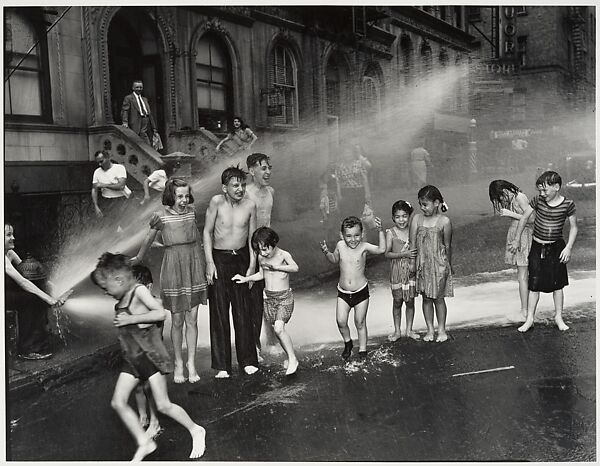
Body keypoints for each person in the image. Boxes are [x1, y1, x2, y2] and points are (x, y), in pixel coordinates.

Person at [90, 253, 205, 461]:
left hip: (150, 357)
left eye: (106, 288)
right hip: (132, 360)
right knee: (118, 402)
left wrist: (131, 319)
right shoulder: (121, 297)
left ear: (119, 279)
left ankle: (196, 429)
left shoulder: (139, 291)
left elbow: (160, 314)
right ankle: (145, 443)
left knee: (163, 405)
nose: (106, 293)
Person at [131, 178, 208, 384]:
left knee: (192, 319)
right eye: (179, 196)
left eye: (185, 195)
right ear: (171, 196)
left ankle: (191, 363)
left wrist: (205, 264)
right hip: (173, 266)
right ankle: (179, 363)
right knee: (177, 320)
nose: (183, 200)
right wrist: (139, 258)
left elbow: (198, 238)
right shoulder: (161, 216)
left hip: (193, 265)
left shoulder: (192, 211)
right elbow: (148, 238)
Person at [203, 165, 259, 378]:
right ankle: (222, 365)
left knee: (243, 310)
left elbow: (253, 238)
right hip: (219, 259)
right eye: (235, 185)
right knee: (219, 312)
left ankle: (248, 360)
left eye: (243, 185)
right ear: (224, 187)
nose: (240, 189)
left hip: (242, 259)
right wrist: (209, 262)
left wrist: (252, 266)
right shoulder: (216, 202)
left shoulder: (250, 205)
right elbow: (207, 233)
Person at [508, 171, 578, 333]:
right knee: (534, 284)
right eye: (540, 190)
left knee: (558, 285)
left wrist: (568, 247)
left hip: (557, 248)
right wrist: (517, 238)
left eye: (545, 190)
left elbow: (574, 227)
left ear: (556, 187)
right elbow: (525, 218)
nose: (542, 193)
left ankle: (558, 317)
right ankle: (530, 319)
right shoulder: (538, 200)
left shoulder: (568, 204)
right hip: (537, 247)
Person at [232, 227, 299, 375]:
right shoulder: (262, 257)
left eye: (265, 249)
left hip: (283, 298)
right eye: (259, 250)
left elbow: (295, 268)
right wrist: (246, 278)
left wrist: (278, 267)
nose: (263, 253)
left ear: (273, 242)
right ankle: (289, 356)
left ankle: (293, 359)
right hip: (269, 299)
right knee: (277, 331)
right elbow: (261, 274)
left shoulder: (283, 255)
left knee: (279, 329)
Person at [320, 216, 386, 359]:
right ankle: (348, 342)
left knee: (360, 322)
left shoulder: (364, 246)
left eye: (357, 235)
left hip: (361, 291)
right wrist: (326, 252)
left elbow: (381, 249)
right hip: (343, 292)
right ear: (341, 235)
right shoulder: (340, 245)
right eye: (348, 236)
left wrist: (380, 230)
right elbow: (334, 259)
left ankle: (362, 350)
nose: (353, 239)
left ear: (362, 234)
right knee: (341, 321)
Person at [4, 223, 72, 360]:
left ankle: (40, 339)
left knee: (36, 293)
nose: (13, 238)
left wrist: (55, 291)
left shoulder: (9, 253)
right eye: (8, 235)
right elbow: (22, 282)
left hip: (9, 293)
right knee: (31, 298)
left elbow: (30, 275)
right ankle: (27, 349)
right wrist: (48, 299)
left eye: (13, 234)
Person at [409, 185, 453, 343]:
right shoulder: (417, 219)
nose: (422, 208)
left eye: (425, 204)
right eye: (420, 204)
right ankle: (430, 329)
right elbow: (412, 243)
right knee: (426, 298)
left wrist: (448, 266)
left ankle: (441, 329)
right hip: (422, 265)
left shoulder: (444, 221)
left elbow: (447, 246)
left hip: (438, 265)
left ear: (436, 203)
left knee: (439, 299)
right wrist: (412, 263)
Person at [244, 153, 277, 360]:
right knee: (253, 300)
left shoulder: (272, 191)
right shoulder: (245, 193)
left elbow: (269, 223)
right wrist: (252, 259)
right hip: (252, 250)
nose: (267, 172)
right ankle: (254, 345)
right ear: (251, 171)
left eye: (269, 168)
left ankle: (272, 340)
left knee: (272, 296)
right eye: (263, 168)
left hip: (269, 249)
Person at [488, 180, 535, 319]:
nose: (501, 200)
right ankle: (525, 309)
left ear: (505, 190)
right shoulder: (512, 199)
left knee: (523, 275)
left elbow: (532, 219)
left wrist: (511, 214)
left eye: (500, 196)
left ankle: (526, 310)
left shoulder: (520, 197)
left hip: (524, 236)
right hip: (516, 234)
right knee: (521, 275)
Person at [131, 264, 162, 440]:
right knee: (138, 387)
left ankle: (155, 421)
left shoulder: (156, 304)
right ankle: (143, 416)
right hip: (136, 354)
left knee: (150, 389)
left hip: (152, 355)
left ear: (149, 288)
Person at [384, 200, 419, 342]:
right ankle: (397, 331)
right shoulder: (391, 233)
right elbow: (387, 254)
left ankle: (409, 330)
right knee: (397, 301)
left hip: (411, 271)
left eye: (404, 216)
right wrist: (403, 255)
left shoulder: (413, 231)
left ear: (409, 216)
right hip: (397, 272)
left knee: (410, 301)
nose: (401, 220)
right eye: (398, 217)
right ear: (393, 218)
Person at [91, 150, 131, 221]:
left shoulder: (119, 168)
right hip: (107, 201)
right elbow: (94, 189)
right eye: (98, 162)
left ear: (108, 158)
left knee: (126, 224)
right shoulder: (97, 172)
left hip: (122, 199)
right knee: (109, 225)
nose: (100, 164)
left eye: (101, 161)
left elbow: (121, 186)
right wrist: (96, 206)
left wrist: (104, 185)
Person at [335, 144, 371, 220]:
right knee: (347, 213)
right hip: (346, 192)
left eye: (349, 153)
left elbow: (365, 179)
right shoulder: (340, 166)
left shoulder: (359, 163)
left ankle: (361, 230)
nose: (348, 155)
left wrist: (367, 193)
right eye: (346, 153)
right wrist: (339, 195)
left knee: (359, 213)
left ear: (353, 154)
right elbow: (338, 182)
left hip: (358, 191)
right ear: (343, 155)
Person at [121, 80, 158, 146]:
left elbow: (150, 114)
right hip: (136, 123)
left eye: (140, 87)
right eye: (137, 87)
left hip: (147, 123)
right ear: (133, 88)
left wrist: (154, 128)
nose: (139, 89)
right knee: (141, 142)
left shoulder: (145, 99)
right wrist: (125, 122)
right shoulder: (129, 98)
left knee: (149, 141)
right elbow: (125, 111)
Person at [319, 166, 340, 249]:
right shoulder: (324, 194)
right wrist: (324, 215)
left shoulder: (333, 193)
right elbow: (322, 206)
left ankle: (334, 240)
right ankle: (328, 241)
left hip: (334, 212)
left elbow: (336, 201)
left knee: (335, 226)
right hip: (328, 214)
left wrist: (337, 208)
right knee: (328, 227)